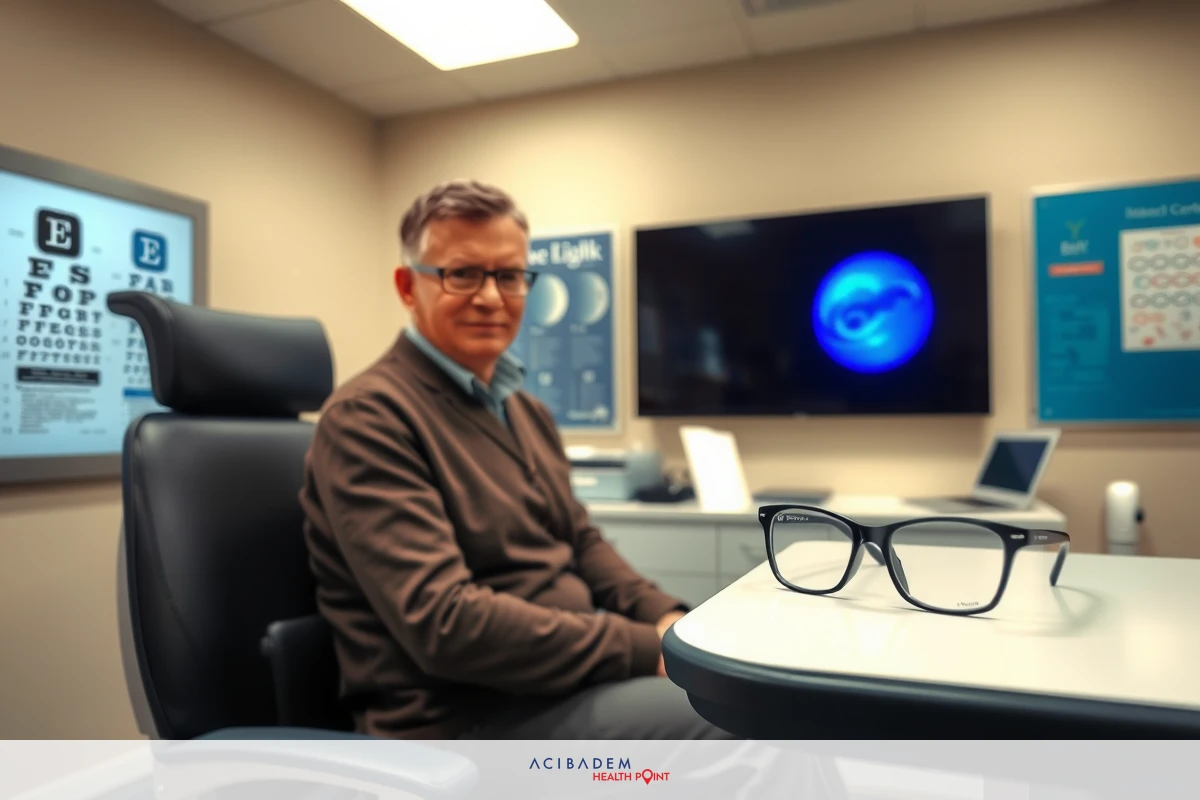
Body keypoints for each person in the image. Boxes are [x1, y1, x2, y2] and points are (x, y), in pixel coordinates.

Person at [299, 179, 731, 740]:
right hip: (460, 720)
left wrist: (665, 618)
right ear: (408, 287)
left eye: (509, 276)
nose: (490, 297)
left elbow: (581, 543)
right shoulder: (368, 418)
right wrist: (644, 649)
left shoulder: (525, 410)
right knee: (737, 727)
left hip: (557, 683)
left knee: (754, 697)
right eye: (462, 274)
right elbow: (445, 625)